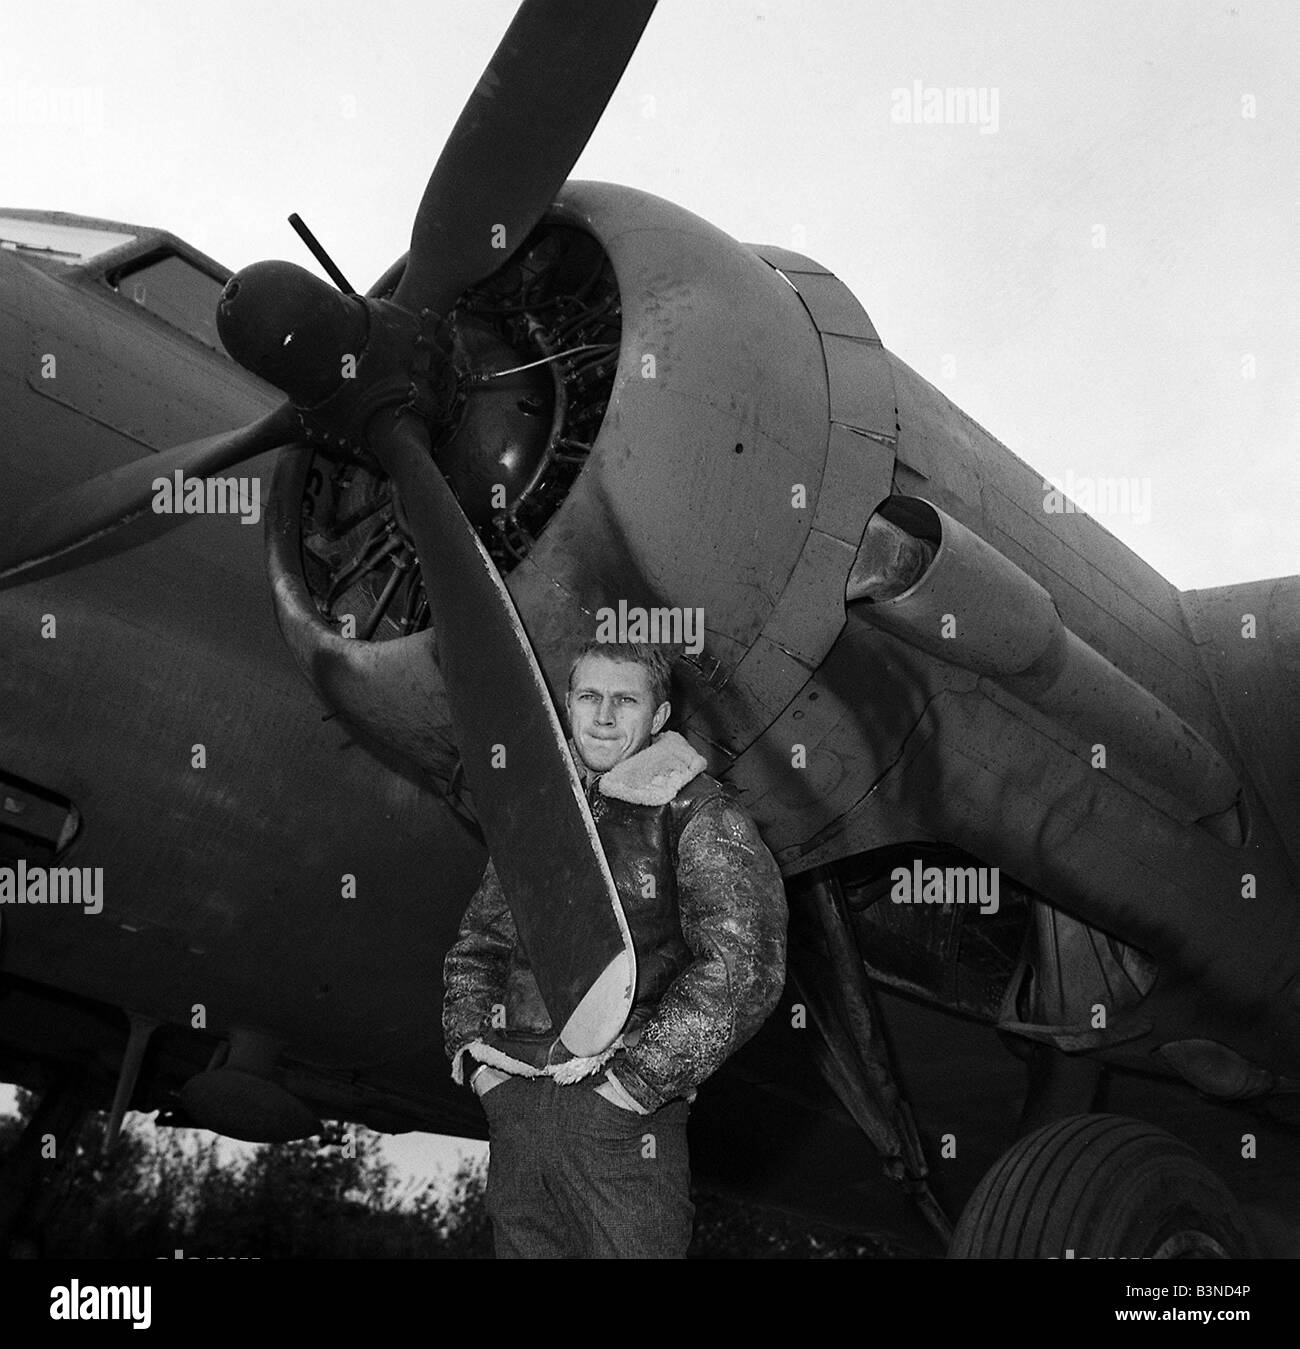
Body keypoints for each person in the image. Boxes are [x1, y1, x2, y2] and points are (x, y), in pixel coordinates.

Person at [442, 640, 787, 1258]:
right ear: (568, 707)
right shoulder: (538, 811)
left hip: (622, 1118)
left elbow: (744, 965)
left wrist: (634, 1086)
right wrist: (481, 1065)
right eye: (588, 697)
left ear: (658, 718)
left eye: (624, 700)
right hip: (517, 1105)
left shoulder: (699, 811)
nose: (602, 716)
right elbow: (481, 943)